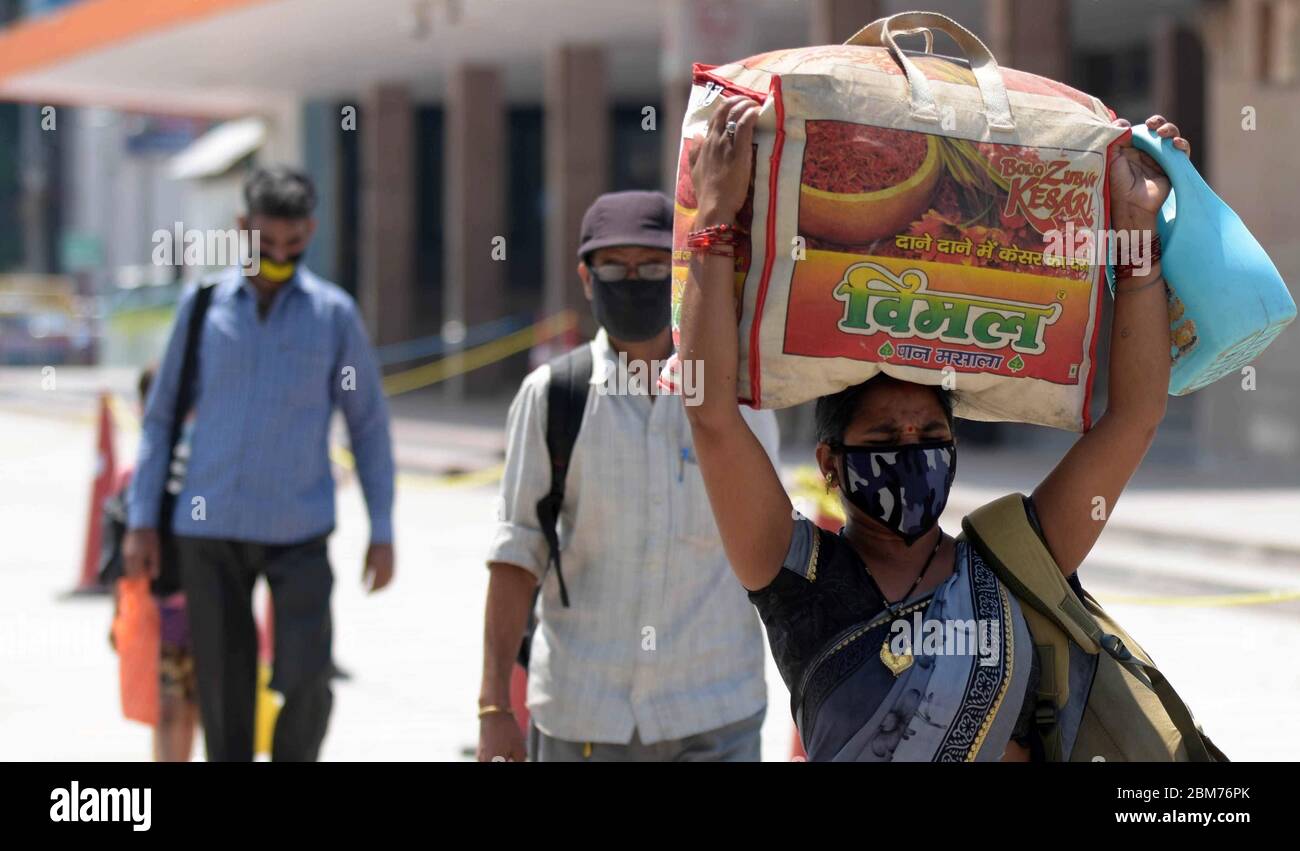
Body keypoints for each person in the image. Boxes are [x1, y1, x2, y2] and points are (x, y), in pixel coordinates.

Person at [680, 97, 1190, 761]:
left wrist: (1136, 237)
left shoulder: (1011, 565)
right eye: (886, 437)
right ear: (830, 463)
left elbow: (1135, 416)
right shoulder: (798, 576)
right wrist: (715, 220)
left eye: (928, 433)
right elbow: (709, 413)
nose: (911, 450)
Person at [478, 190, 781, 762]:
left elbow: (769, 537)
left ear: (678, 272)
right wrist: (494, 707)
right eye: (614, 266)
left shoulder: (737, 393)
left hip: (714, 713)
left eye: (650, 266)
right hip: (583, 716)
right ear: (587, 279)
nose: (632, 279)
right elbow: (516, 553)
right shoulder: (552, 397)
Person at [123, 166, 396, 762]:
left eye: (292, 246)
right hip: (208, 530)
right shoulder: (201, 310)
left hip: (298, 531)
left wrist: (383, 528)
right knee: (224, 693)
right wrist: (143, 520)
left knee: (307, 679)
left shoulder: (333, 316)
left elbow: (369, 426)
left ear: (311, 232)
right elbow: (161, 417)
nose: (277, 257)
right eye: (265, 243)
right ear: (242, 227)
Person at [107, 367, 200, 762]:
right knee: (165, 711)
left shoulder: (203, 469)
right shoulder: (134, 477)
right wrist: (118, 617)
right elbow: (121, 557)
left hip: (202, 609)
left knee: (193, 708)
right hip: (158, 614)